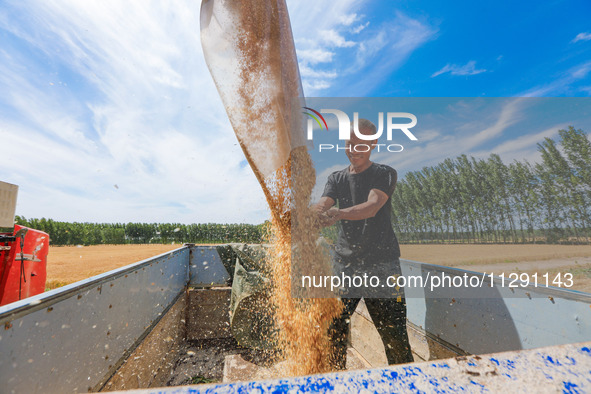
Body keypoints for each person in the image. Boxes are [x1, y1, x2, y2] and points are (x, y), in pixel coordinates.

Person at [312, 118, 413, 369]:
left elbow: (372, 206)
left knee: (394, 335)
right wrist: (313, 214)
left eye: (362, 144)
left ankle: (408, 383)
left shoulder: (384, 173)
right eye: (350, 143)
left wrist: (340, 213)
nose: (354, 149)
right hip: (345, 265)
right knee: (333, 330)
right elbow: (323, 203)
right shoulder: (336, 178)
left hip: (381, 266)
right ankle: (336, 380)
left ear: (373, 144)